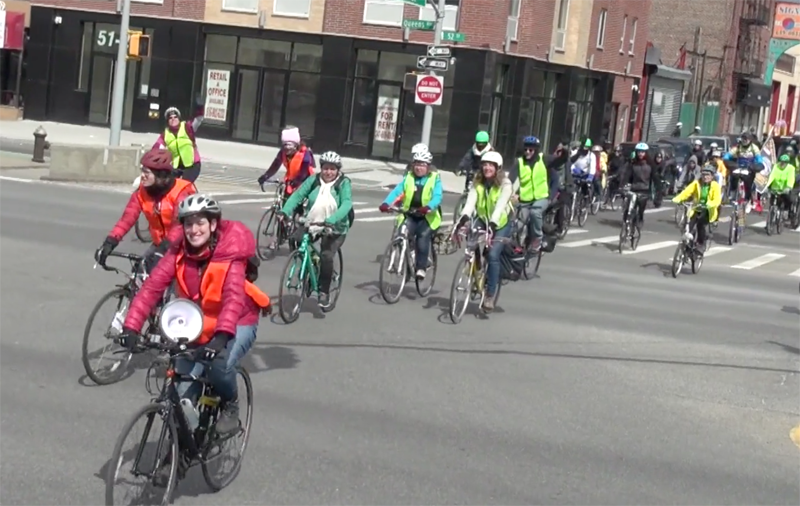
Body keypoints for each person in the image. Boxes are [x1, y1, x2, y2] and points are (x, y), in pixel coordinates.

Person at [116, 195, 271, 466]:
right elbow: (151, 289)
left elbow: (234, 298)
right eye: (188, 224)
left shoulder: (229, 254)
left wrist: (222, 336)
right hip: (196, 323)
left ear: (213, 225)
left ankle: (230, 404)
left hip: (237, 321)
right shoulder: (177, 253)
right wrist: (131, 327)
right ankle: (181, 452)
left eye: (200, 223)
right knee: (182, 389)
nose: (194, 229)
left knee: (220, 365)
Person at [95, 149, 197, 272]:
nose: (142, 176)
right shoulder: (142, 192)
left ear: (161, 176)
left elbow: (180, 225)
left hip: (184, 247)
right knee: (139, 274)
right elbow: (127, 219)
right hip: (160, 245)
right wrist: (110, 242)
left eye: (147, 173)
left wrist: (164, 248)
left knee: (165, 282)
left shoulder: (182, 192)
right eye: (142, 171)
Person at [280, 151, 353, 308]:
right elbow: (298, 195)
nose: (328, 172)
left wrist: (332, 220)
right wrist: (285, 211)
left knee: (327, 256)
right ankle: (310, 262)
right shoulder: (313, 180)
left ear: (338, 170)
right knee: (295, 239)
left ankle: (323, 292)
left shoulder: (343, 183)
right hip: (312, 223)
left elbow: (347, 204)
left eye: (333, 169)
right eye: (326, 168)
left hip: (335, 227)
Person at [454, 151, 514, 313]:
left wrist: (492, 227)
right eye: (485, 164)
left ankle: (489, 295)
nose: (487, 168)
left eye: (491, 165)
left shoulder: (505, 184)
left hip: (501, 223)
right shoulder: (478, 182)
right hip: (483, 217)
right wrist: (463, 219)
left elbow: (500, 207)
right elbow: (470, 203)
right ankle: (478, 269)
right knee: (472, 244)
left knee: (493, 255)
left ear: (498, 168)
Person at [379, 149, 443, 280]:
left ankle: (421, 267)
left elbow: (437, 196)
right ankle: (408, 261)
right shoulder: (408, 178)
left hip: (428, 216)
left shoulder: (434, 179)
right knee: (403, 234)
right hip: (410, 213)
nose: (419, 168)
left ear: (428, 167)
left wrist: (428, 207)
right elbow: (397, 192)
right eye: (416, 164)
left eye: (422, 165)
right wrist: (386, 204)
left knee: (422, 237)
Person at [506, 136, 565, 251]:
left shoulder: (544, 159)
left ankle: (538, 237)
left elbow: (560, 162)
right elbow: (510, 180)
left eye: (530, 150)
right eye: (525, 149)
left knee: (535, 212)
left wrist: (564, 153)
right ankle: (516, 247)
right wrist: (507, 192)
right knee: (517, 223)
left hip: (541, 197)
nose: (527, 152)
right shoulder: (519, 162)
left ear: (536, 150)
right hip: (525, 199)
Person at [257, 126, 316, 216]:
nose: (287, 148)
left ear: (296, 145)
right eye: (285, 145)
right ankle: (285, 224)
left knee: (296, 205)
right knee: (285, 206)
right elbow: (275, 165)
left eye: (290, 145)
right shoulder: (282, 153)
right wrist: (265, 176)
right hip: (291, 180)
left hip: (305, 180)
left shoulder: (305, 153)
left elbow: (304, 171)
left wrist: (297, 181)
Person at [672, 165, 722, 252]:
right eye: (703, 175)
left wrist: (709, 204)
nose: (705, 177)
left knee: (701, 224)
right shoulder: (697, 183)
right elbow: (686, 192)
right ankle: (688, 244)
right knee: (688, 225)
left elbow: (717, 200)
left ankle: (701, 243)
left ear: (712, 176)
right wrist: (678, 198)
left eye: (708, 175)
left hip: (708, 211)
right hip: (696, 208)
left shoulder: (715, 186)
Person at [153, 104, 204, 183]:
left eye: (175, 117)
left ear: (179, 118)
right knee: (168, 184)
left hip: (192, 165)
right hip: (176, 166)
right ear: (167, 121)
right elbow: (157, 148)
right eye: (170, 118)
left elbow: (198, 119)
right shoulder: (165, 134)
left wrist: (200, 107)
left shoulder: (187, 127)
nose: (173, 119)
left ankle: (191, 194)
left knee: (184, 184)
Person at [617, 142, 656, 228]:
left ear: (646, 153)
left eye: (642, 152)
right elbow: (627, 175)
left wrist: (657, 197)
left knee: (641, 208)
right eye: (639, 152)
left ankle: (640, 219)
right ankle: (626, 221)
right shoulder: (633, 164)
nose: (640, 154)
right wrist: (622, 185)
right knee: (629, 207)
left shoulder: (650, 165)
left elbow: (655, 179)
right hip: (634, 188)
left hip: (644, 190)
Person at [723, 132, 763, 213]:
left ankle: (748, 199)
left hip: (750, 168)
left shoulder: (754, 148)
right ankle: (733, 193)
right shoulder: (738, 147)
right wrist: (728, 160)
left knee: (748, 182)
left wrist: (756, 165)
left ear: (750, 140)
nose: (744, 141)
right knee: (733, 176)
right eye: (743, 139)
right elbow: (728, 155)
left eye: (746, 139)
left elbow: (759, 159)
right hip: (739, 166)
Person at [765, 154, 797, 221]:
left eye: (784, 162)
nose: (782, 163)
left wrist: (788, 187)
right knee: (772, 202)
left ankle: (786, 210)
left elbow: (791, 178)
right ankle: (770, 221)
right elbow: (771, 176)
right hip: (775, 188)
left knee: (788, 199)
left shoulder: (791, 168)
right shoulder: (776, 166)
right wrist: (766, 185)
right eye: (781, 161)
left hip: (785, 189)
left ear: (787, 163)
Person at [569, 136, 598, 205]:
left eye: (587, 147)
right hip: (574, 174)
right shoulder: (575, 152)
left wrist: (590, 177)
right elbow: (570, 162)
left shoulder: (591, 155)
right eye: (584, 146)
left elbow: (592, 167)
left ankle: (586, 201)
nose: (585, 149)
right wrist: (573, 168)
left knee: (586, 188)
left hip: (585, 175)